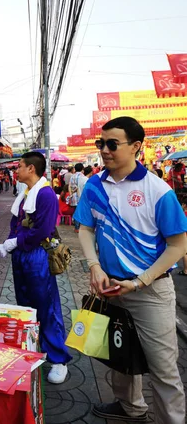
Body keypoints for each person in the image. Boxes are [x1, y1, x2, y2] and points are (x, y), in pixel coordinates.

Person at [75, 116, 187, 423]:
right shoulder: (95, 185)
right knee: (117, 354)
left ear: (136, 147)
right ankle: (131, 407)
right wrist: (94, 266)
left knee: (163, 368)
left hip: (150, 291)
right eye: (101, 144)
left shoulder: (158, 191)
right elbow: (85, 228)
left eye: (113, 144)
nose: (105, 150)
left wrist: (140, 282)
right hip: (108, 288)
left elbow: (179, 245)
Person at [0, 152, 72, 384]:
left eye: (20, 166)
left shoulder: (45, 194)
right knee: (26, 306)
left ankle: (58, 358)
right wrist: (7, 244)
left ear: (32, 169)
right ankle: (35, 349)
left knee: (46, 306)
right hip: (22, 257)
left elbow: (43, 231)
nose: (16, 170)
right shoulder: (25, 192)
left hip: (37, 256)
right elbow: (16, 223)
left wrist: (15, 242)